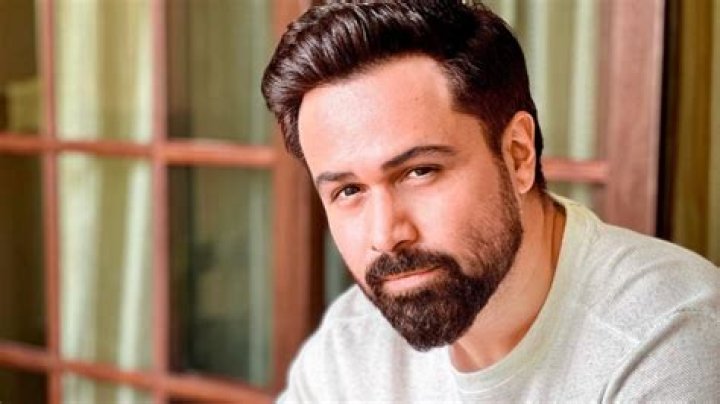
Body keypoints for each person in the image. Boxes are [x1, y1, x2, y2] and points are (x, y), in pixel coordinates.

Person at [261, 0, 720, 401]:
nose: (386, 235)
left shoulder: (669, 339)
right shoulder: (349, 346)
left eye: (420, 171)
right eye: (348, 191)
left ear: (518, 154)